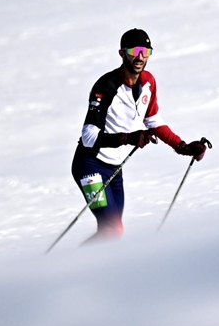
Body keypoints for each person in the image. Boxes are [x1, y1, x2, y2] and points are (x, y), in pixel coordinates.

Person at [71, 28, 208, 244]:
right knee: (113, 230)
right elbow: (89, 137)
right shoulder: (106, 86)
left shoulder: (148, 82)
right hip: (90, 166)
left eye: (146, 51)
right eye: (134, 51)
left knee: (112, 233)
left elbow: (153, 120)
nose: (140, 57)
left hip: (114, 168)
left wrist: (182, 146)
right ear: (122, 53)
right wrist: (128, 138)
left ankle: (95, 264)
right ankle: (72, 264)